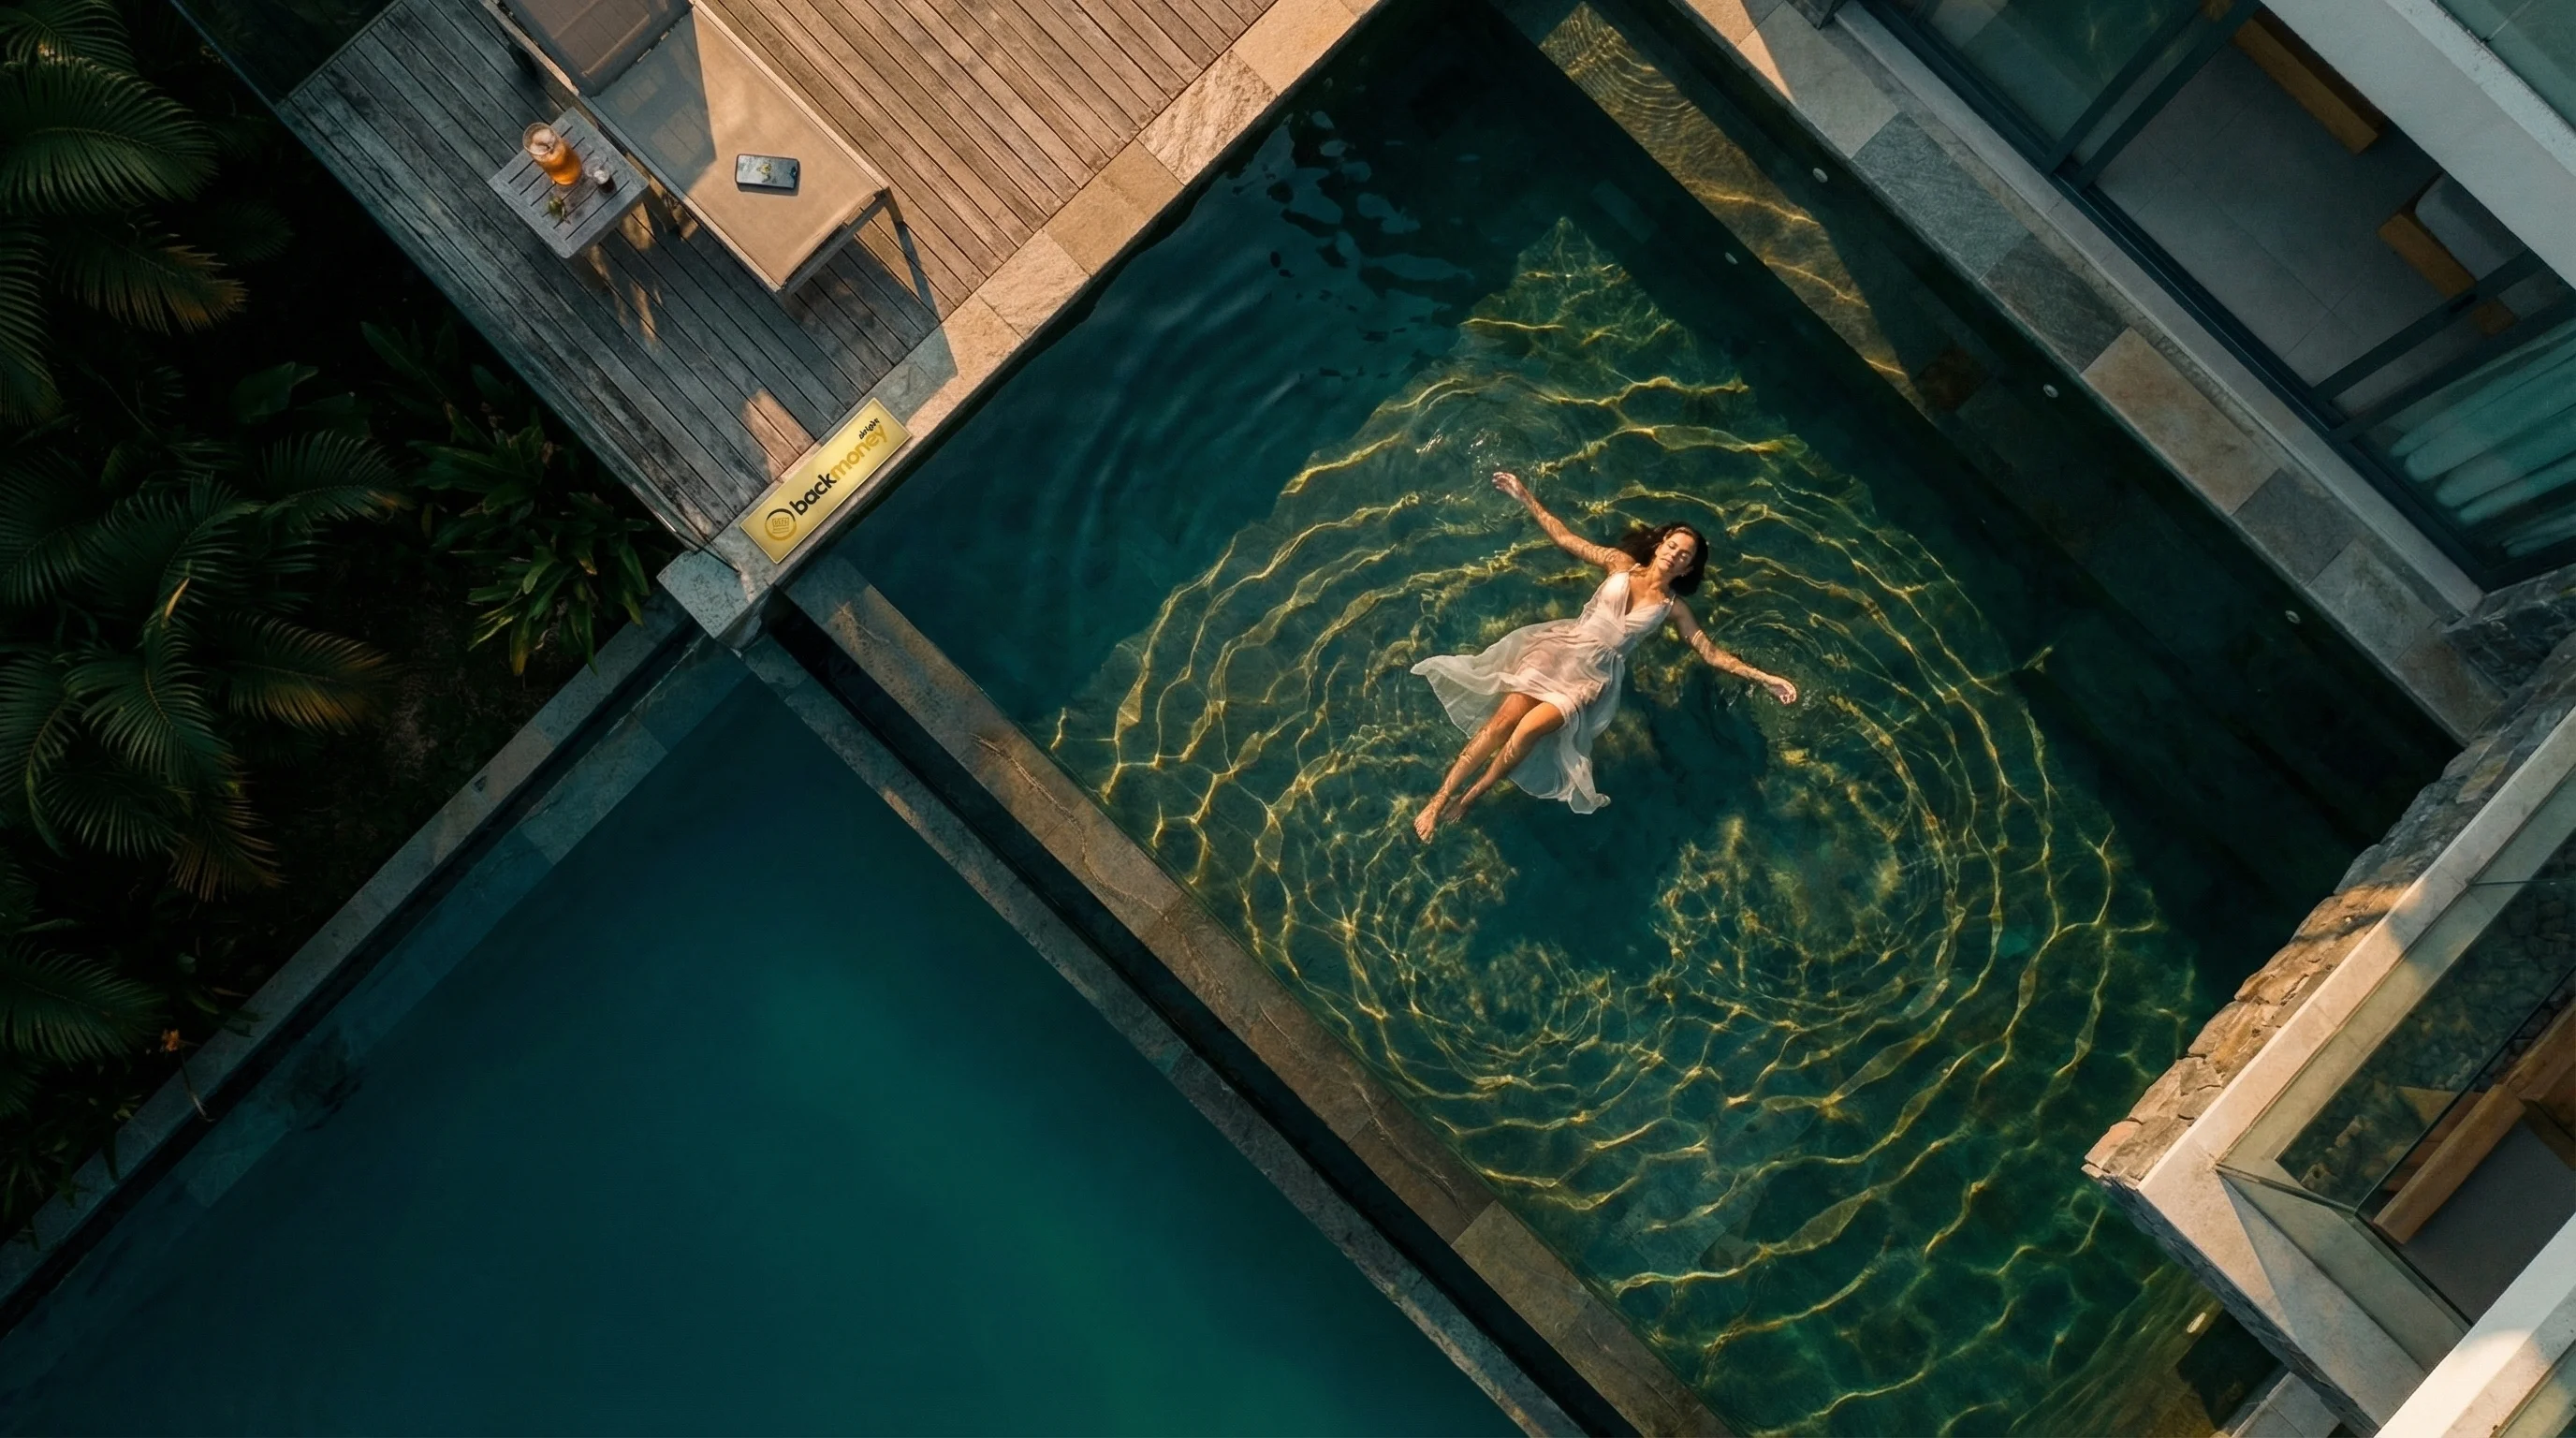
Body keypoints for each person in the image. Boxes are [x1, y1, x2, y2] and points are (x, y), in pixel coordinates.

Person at [1411, 470, 1798, 840]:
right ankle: (1439, 799)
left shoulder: (1673, 608)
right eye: (1672, 545)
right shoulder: (1620, 564)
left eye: (1685, 555)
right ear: (1660, 543)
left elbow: (1711, 653)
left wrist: (1764, 677)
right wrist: (1526, 497)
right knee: (1499, 725)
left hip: (1590, 678)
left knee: (1527, 729)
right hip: (1558, 650)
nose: (1675, 555)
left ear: (1689, 567)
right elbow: (1566, 539)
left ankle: (1472, 795)